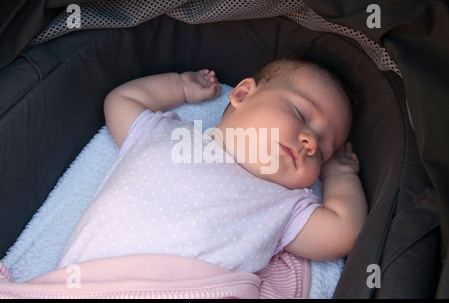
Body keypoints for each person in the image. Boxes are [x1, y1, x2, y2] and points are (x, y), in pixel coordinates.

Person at [57, 59, 367, 273]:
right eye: (301, 115)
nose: (310, 142)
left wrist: (338, 175)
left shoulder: (283, 204)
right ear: (243, 94)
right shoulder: (169, 136)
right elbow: (121, 100)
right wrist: (180, 86)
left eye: (322, 152)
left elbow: (343, 232)